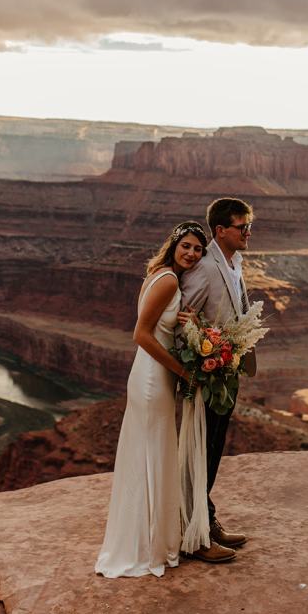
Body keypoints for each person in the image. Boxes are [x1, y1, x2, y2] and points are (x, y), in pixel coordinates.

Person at [95, 220, 208, 578]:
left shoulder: (159, 275)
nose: (191, 253)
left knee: (148, 453)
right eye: (186, 246)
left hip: (150, 374)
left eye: (198, 250)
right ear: (174, 245)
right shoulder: (170, 280)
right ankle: (146, 548)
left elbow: (160, 326)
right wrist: (183, 371)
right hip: (152, 378)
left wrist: (186, 326)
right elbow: (141, 334)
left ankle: (145, 539)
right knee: (152, 453)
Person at [179, 196, 254, 563]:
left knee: (213, 451)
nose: (248, 234)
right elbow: (182, 319)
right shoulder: (206, 268)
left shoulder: (235, 261)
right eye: (242, 227)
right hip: (208, 376)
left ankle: (205, 521)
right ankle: (195, 536)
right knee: (201, 454)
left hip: (228, 370)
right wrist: (202, 355)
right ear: (220, 230)